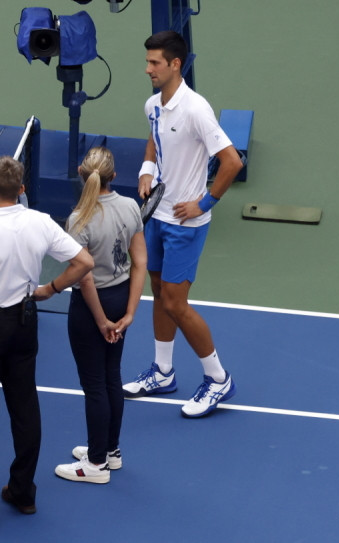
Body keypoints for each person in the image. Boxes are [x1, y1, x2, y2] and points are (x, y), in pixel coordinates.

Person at [0, 156, 93, 525]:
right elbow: (84, 262)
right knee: (25, 409)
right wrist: (50, 289)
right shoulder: (39, 222)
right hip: (24, 324)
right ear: (22, 189)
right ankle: (22, 492)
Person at [123, 30, 243, 418]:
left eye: (155, 63)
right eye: (147, 62)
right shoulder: (153, 105)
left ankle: (218, 378)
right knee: (158, 292)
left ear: (175, 64)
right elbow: (154, 141)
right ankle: (162, 371)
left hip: (184, 224)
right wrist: (146, 170)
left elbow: (231, 162)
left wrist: (204, 203)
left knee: (175, 301)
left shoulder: (196, 109)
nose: (148, 69)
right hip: (157, 213)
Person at [53, 146, 145, 485]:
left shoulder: (78, 219)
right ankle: (110, 451)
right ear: (114, 176)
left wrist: (101, 320)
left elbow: (84, 277)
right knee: (111, 378)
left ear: (81, 172)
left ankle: (95, 465)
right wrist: (130, 312)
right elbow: (140, 263)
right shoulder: (131, 206)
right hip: (121, 298)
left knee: (94, 385)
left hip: (91, 306)